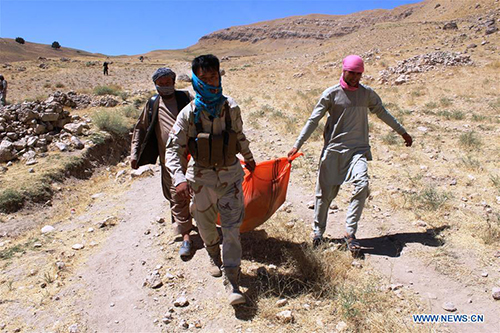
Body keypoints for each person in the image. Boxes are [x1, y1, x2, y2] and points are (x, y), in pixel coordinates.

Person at [288, 55, 413, 251]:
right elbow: (313, 120)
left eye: (359, 74)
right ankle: (318, 233)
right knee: (324, 195)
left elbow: (382, 112)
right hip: (334, 151)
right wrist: (298, 144)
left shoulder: (367, 94)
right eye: (351, 73)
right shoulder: (332, 94)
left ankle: (350, 232)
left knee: (362, 184)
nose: (355, 77)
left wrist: (402, 131)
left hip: (358, 150)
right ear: (343, 71)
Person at [166, 54, 256, 305]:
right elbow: (173, 150)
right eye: (203, 78)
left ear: (220, 75)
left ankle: (233, 279)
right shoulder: (188, 113)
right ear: (195, 79)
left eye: (213, 76)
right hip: (201, 180)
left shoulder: (231, 107)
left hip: (230, 178)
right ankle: (212, 254)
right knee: (206, 228)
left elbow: (239, 135)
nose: (210, 82)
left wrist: (249, 158)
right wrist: (179, 177)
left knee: (231, 230)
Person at [130, 67, 194, 258]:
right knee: (177, 195)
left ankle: (199, 222)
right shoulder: (152, 104)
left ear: (174, 82)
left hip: (192, 157)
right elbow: (140, 129)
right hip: (169, 162)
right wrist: (135, 153)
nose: (166, 87)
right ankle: (186, 237)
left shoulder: (186, 99)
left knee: (198, 192)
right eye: (162, 84)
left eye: (169, 83)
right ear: (156, 85)